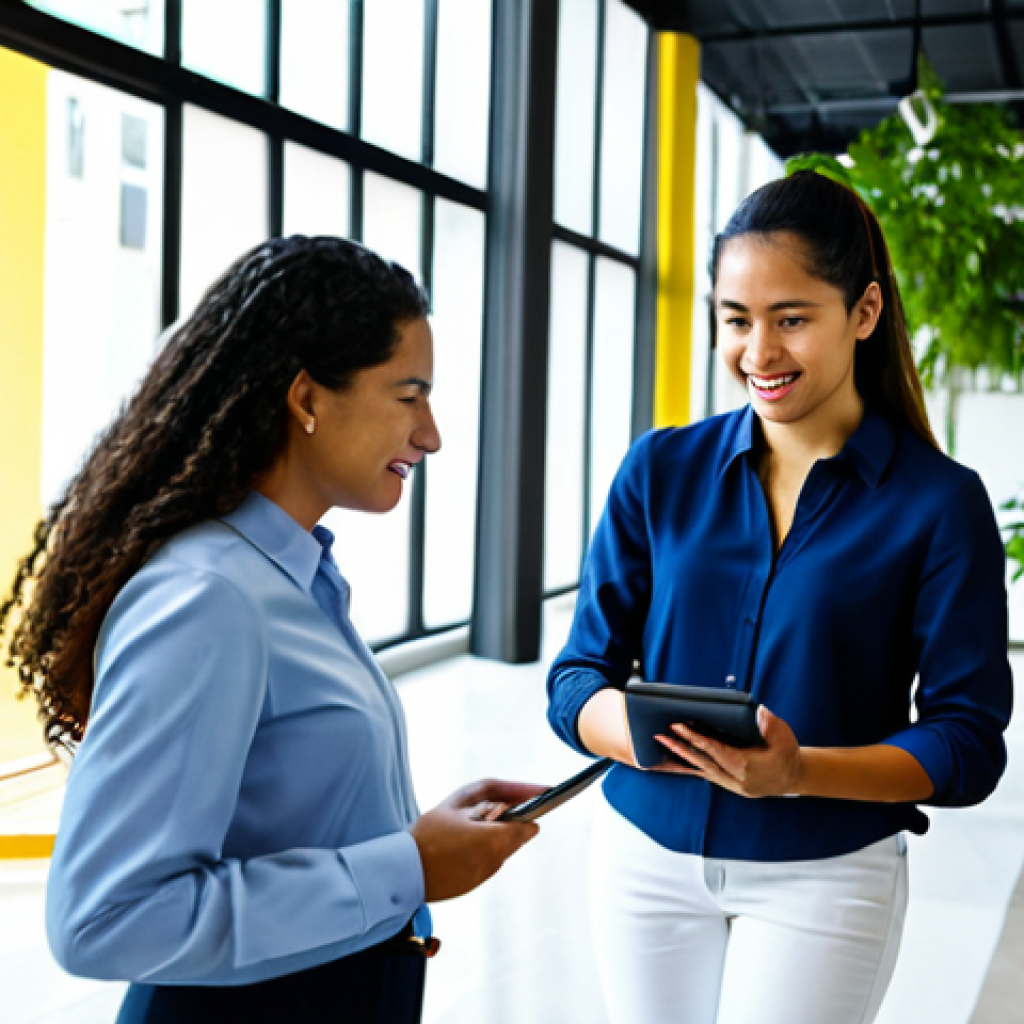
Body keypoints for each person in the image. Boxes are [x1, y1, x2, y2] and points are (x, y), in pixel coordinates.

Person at [0, 235, 545, 1023]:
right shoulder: (208, 598)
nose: (430, 435)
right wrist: (408, 867)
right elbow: (104, 918)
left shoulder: (294, 577)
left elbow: (287, 819)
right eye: (408, 396)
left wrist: (421, 837)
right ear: (307, 398)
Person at [546, 170, 1013, 1024]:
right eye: (736, 320)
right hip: (642, 858)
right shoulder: (659, 470)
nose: (758, 353)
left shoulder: (941, 503)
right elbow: (577, 677)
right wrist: (651, 741)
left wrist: (797, 774)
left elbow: (967, 741)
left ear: (863, 314)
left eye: (791, 319)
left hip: (824, 876)